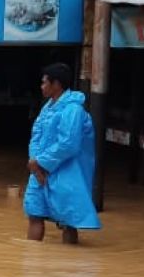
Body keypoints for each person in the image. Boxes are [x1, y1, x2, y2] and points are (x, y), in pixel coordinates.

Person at [25, 63, 101, 244]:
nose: (41, 86)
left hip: (66, 171)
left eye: (44, 83)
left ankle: (67, 264)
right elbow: (36, 135)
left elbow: (69, 144)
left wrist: (41, 162)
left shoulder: (73, 110)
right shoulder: (48, 107)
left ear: (56, 84)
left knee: (68, 222)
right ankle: (31, 264)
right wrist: (35, 163)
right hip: (39, 170)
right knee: (34, 214)